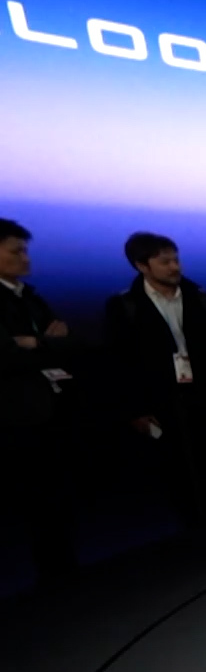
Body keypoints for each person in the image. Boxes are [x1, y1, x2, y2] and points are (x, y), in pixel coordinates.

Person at [104, 232, 206, 526]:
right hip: (163, 402)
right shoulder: (124, 306)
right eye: (165, 262)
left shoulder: (203, 299)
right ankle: (195, 532)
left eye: (176, 259)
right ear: (141, 266)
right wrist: (135, 410)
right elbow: (121, 362)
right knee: (178, 473)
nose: (174, 267)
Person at [0, 218, 79, 587]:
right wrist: (43, 344)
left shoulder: (31, 298)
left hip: (51, 410)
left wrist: (34, 343)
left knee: (58, 500)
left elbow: (68, 342)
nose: (25, 258)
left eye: (25, 250)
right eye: (16, 251)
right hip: (16, 418)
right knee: (33, 504)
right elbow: (5, 356)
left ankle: (64, 572)